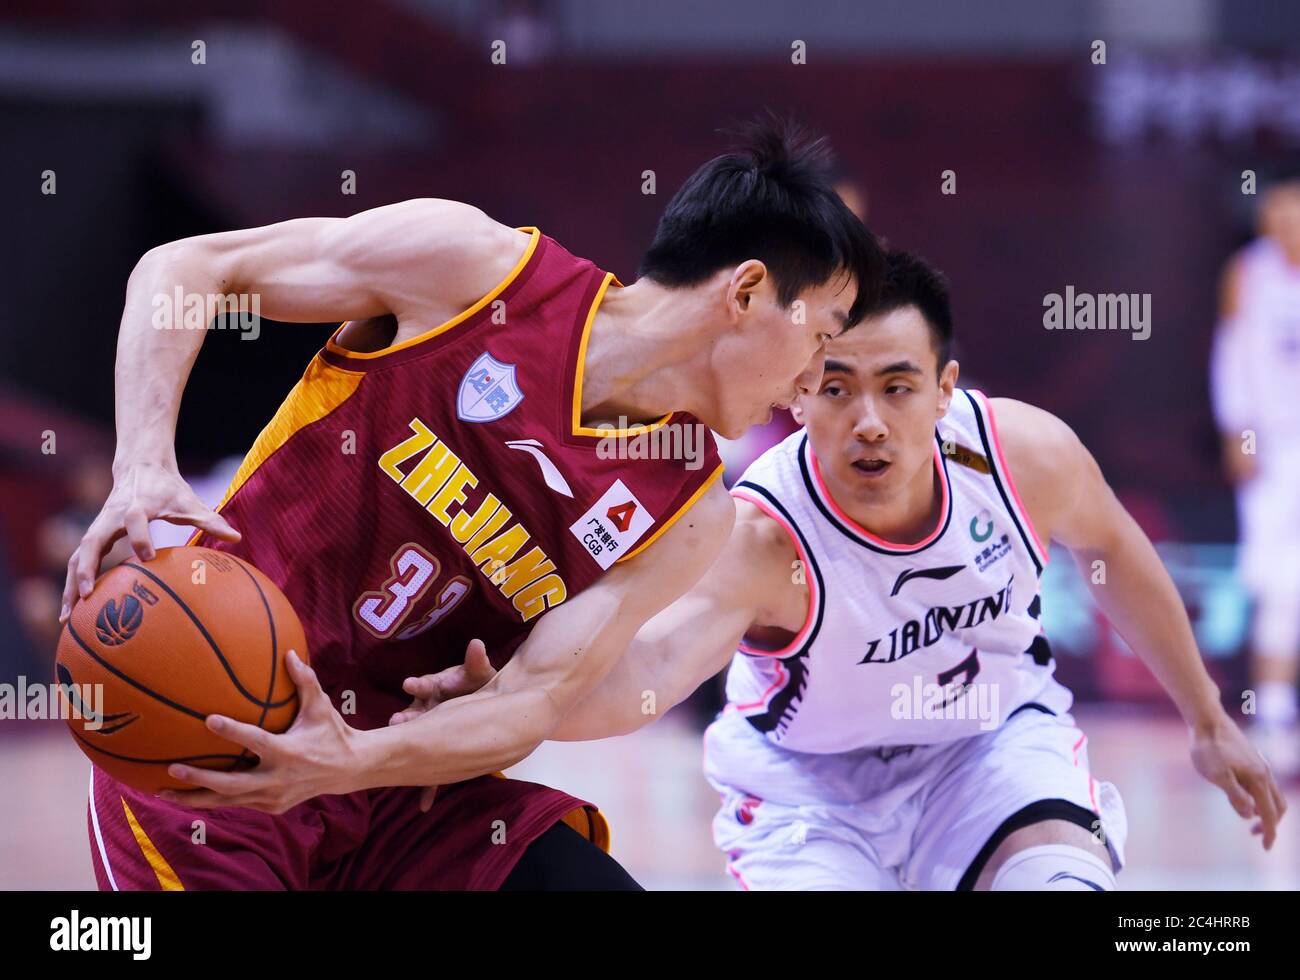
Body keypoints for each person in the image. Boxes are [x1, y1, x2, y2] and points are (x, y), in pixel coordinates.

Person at [62, 118, 884, 890]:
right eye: (821, 335)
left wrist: (351, 759)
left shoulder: (690, 509)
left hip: (395, 781)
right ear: (746, 292)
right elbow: (188, 269)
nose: (815, 379)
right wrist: (139, 465)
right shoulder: (475, 272)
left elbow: (533, 700)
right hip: (209, 733)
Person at [409, 249, 1286, 890]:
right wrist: (517, 700)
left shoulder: (1024, 456)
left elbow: (1116, 554)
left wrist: (1207, 719)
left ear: (945, 390)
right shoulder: (760, 535)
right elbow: (651, 671)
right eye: (836, 388)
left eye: (898, 388)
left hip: (989, 750)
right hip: (810, 794)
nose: (869, 420)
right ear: (796, 396)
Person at [1211, 178, 1300, 779]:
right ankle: (1272, 718)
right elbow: (1232, 358)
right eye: (1277, 213)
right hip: (1274, 450)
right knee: (1279, 581)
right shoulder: (1248, 273)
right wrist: (1237, 431)